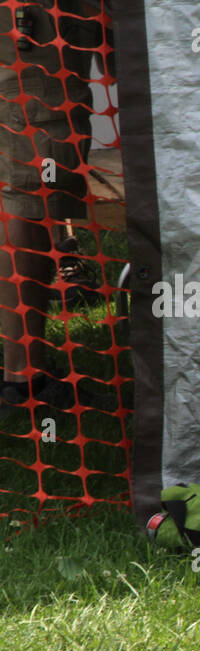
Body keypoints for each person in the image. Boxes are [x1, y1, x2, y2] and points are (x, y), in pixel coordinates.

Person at [0, 0, 109, 409]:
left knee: (44, 175)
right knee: (34, 182)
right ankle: (23, 380)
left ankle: (24, 369)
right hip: (38, 14)